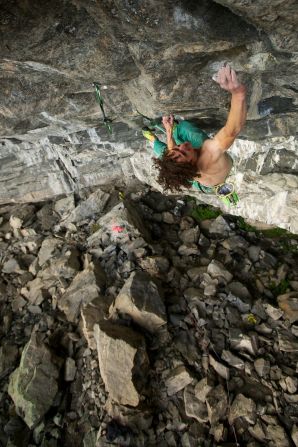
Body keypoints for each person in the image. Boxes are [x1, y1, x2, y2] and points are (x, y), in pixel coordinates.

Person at [142, 64, 247, 198]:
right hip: (213, 181)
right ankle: (156, 139)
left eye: (177, 149)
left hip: (204, 183)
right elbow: (231, 131)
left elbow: (172, 152)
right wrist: (238, 93)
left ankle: (154, 140)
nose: (183, 146)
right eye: (185, 152)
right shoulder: (209, 155)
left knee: (162, 152)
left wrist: (168, 131)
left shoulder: (183, 167)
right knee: (184, 130)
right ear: (192, 165)